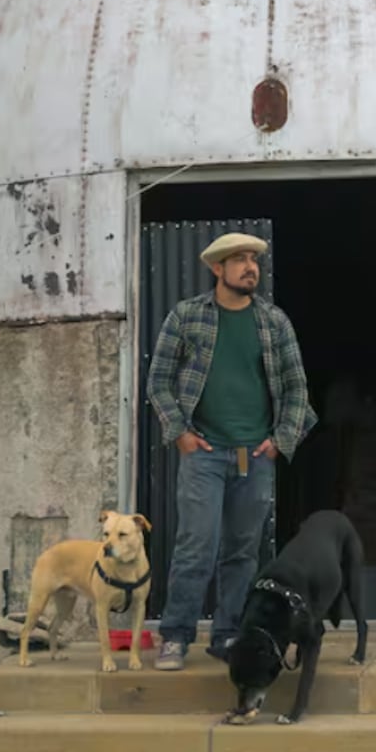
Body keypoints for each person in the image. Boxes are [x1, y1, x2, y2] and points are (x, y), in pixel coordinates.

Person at [146, 231, 317, 670]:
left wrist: (280, 442)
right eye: (239, 260)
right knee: (196, 545)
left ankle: (227, 635)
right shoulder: (187, 316)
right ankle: (176, 636)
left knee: (244, 550)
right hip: (203, 451)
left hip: (255, 456)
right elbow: (159, 381)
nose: (250, 267)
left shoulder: (273, 321)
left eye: (254, 260)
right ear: (217, 269)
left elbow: (297, 387)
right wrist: (180, 433)